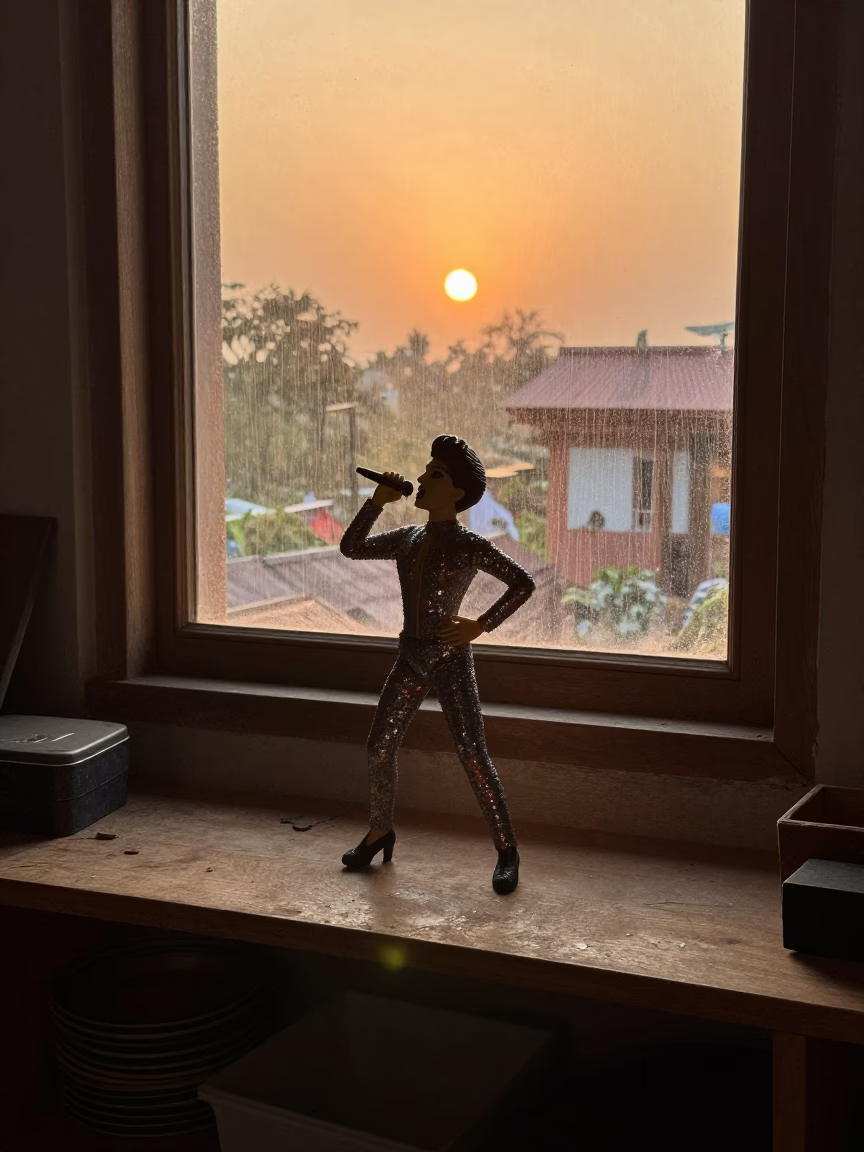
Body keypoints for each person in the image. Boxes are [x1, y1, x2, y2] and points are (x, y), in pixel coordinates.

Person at [339, 435, 535, 894]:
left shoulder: (468, 544)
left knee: (471, 752)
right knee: (378, 746)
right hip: (410, 654)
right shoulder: (408, 538)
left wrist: (479, 626)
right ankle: (379, 829)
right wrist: (377, 501)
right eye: (426, 471)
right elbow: (353, 547)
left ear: (459, 494)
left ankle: (507, 848)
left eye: (437, 475)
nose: (423, 479)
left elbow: (521, 585)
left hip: (449, 657)